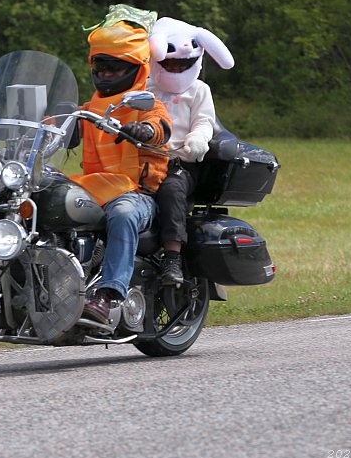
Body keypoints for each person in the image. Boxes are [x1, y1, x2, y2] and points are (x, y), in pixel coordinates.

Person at [72, 19, 172, 324]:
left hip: (136, 193)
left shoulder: (147, 103)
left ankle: (108, 296)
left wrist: (144, 130)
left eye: (114, 68)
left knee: (123, 214)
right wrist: (37, 126)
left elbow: (163, 129)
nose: (106, 74)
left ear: (135, 69)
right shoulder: (88, 107)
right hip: (93, 187)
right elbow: (63, 126)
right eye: (101, 67)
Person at [146, 17, 235, 285]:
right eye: (170, 63)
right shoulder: (145, 88)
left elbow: (204, 121)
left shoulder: (199, 90)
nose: (176, 68)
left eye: (182, 64)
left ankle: (172, 256)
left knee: (172, 191)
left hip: (179, 162)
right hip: (142, 160)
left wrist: (197, 139)